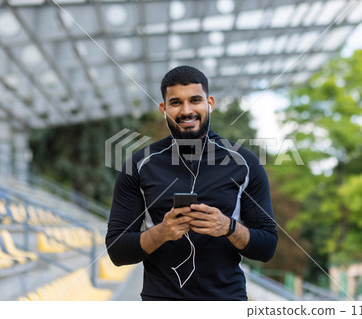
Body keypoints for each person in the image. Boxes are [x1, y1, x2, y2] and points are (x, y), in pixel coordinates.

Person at [106, 66, 277, 301]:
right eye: (176, 102)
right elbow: (117, 251)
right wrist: (161, 233)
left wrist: (228, 227)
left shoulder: (245, 163)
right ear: (163, 109)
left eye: (195, 100)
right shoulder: (138, 165)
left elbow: (267, 247)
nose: (186, 111)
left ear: (210, 103)